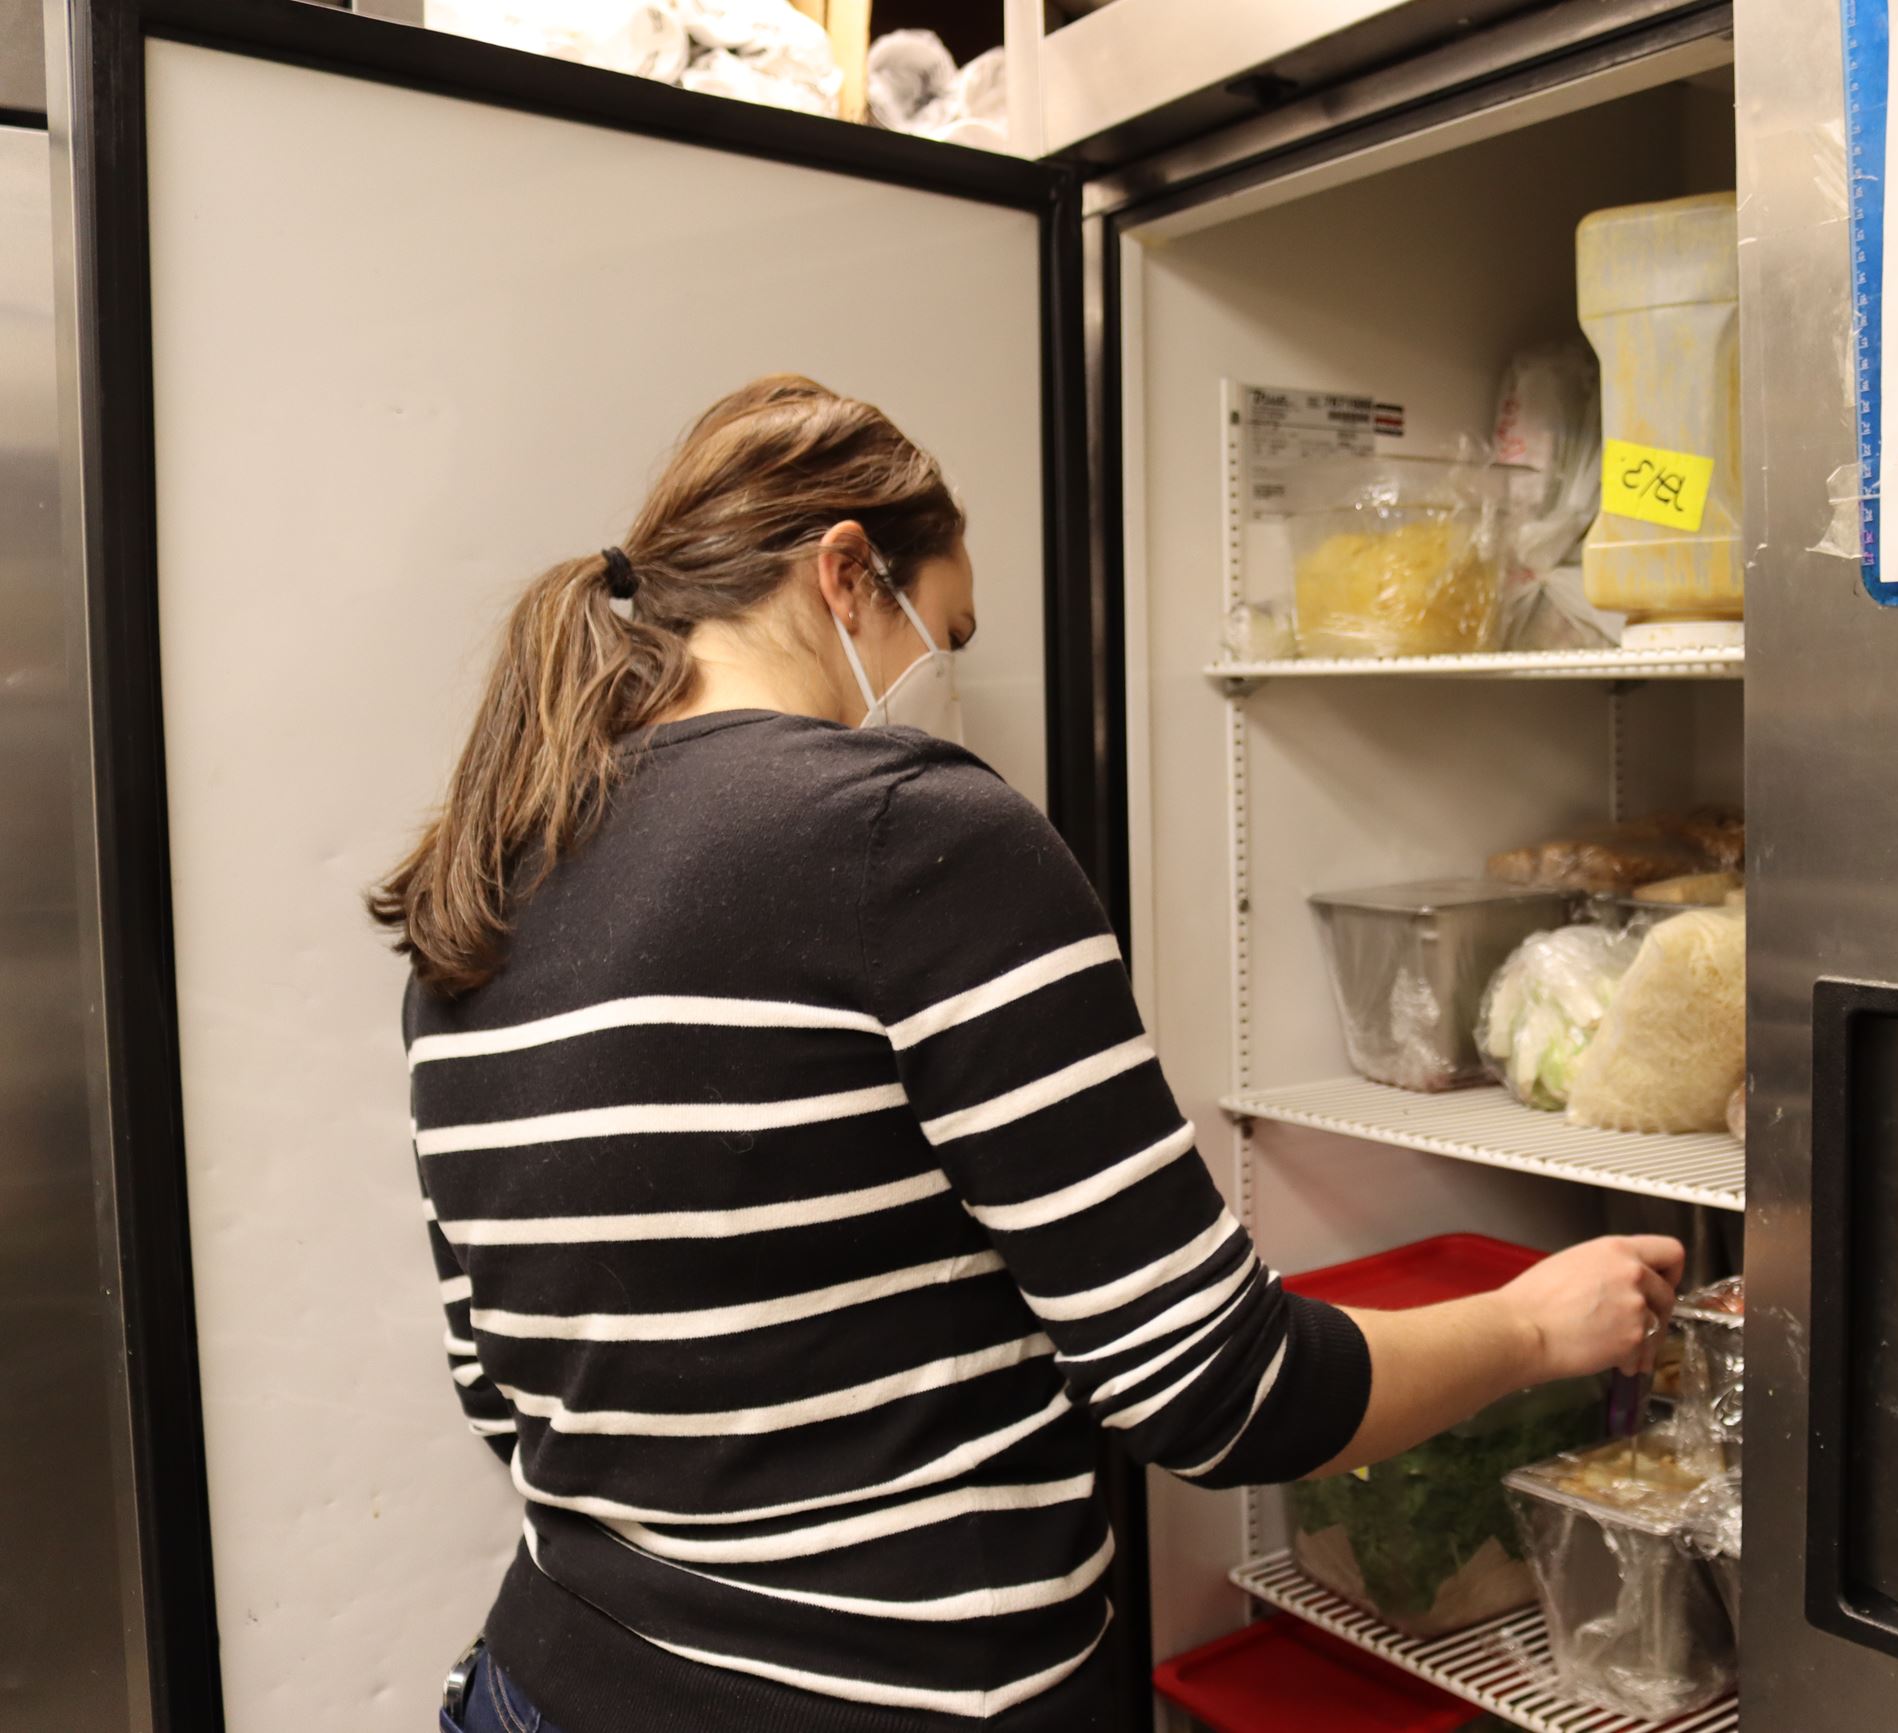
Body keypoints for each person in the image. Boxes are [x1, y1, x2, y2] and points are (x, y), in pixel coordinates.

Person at [371, 375, 1684, 1733]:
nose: (946, 674)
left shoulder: (487, 877)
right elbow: (1220, 1391)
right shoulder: (903, 833)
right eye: (952, 628)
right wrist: (1538, 1323)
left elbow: (500, 1381)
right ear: (844, 570)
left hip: (549, 1684)